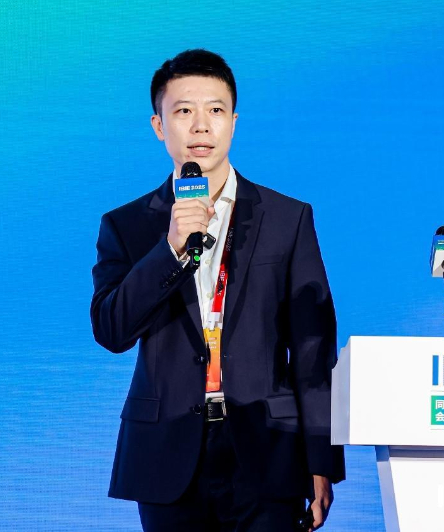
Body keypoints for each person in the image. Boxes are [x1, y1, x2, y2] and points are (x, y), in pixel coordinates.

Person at [91, 49, 345, 532]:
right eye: (183, 111)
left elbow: (313, 350)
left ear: (233, 122)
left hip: (267, 448)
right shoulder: (127, 225)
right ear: (159, 126)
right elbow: (111, 330)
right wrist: (169, 250)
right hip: (167, 451)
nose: (201, 126)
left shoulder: (287, 218)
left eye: (215, 110)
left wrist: (322, 459)